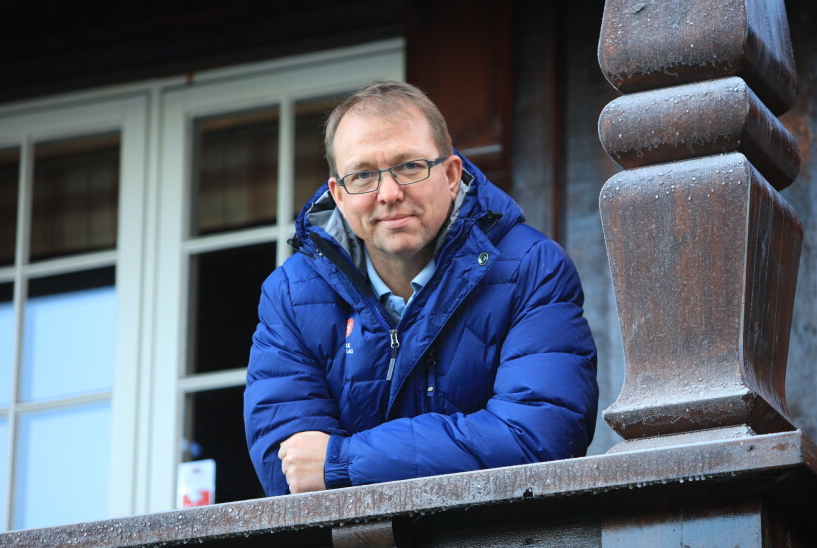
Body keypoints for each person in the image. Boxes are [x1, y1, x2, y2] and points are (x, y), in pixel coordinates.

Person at [243, 81, 599, 496]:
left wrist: (343, 461)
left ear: (450, 175)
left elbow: (540, 438)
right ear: (338, 195)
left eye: (410, 166)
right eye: (363, 175)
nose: (389, 194)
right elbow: (291, 471)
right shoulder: (290, 295)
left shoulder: (532, 267)